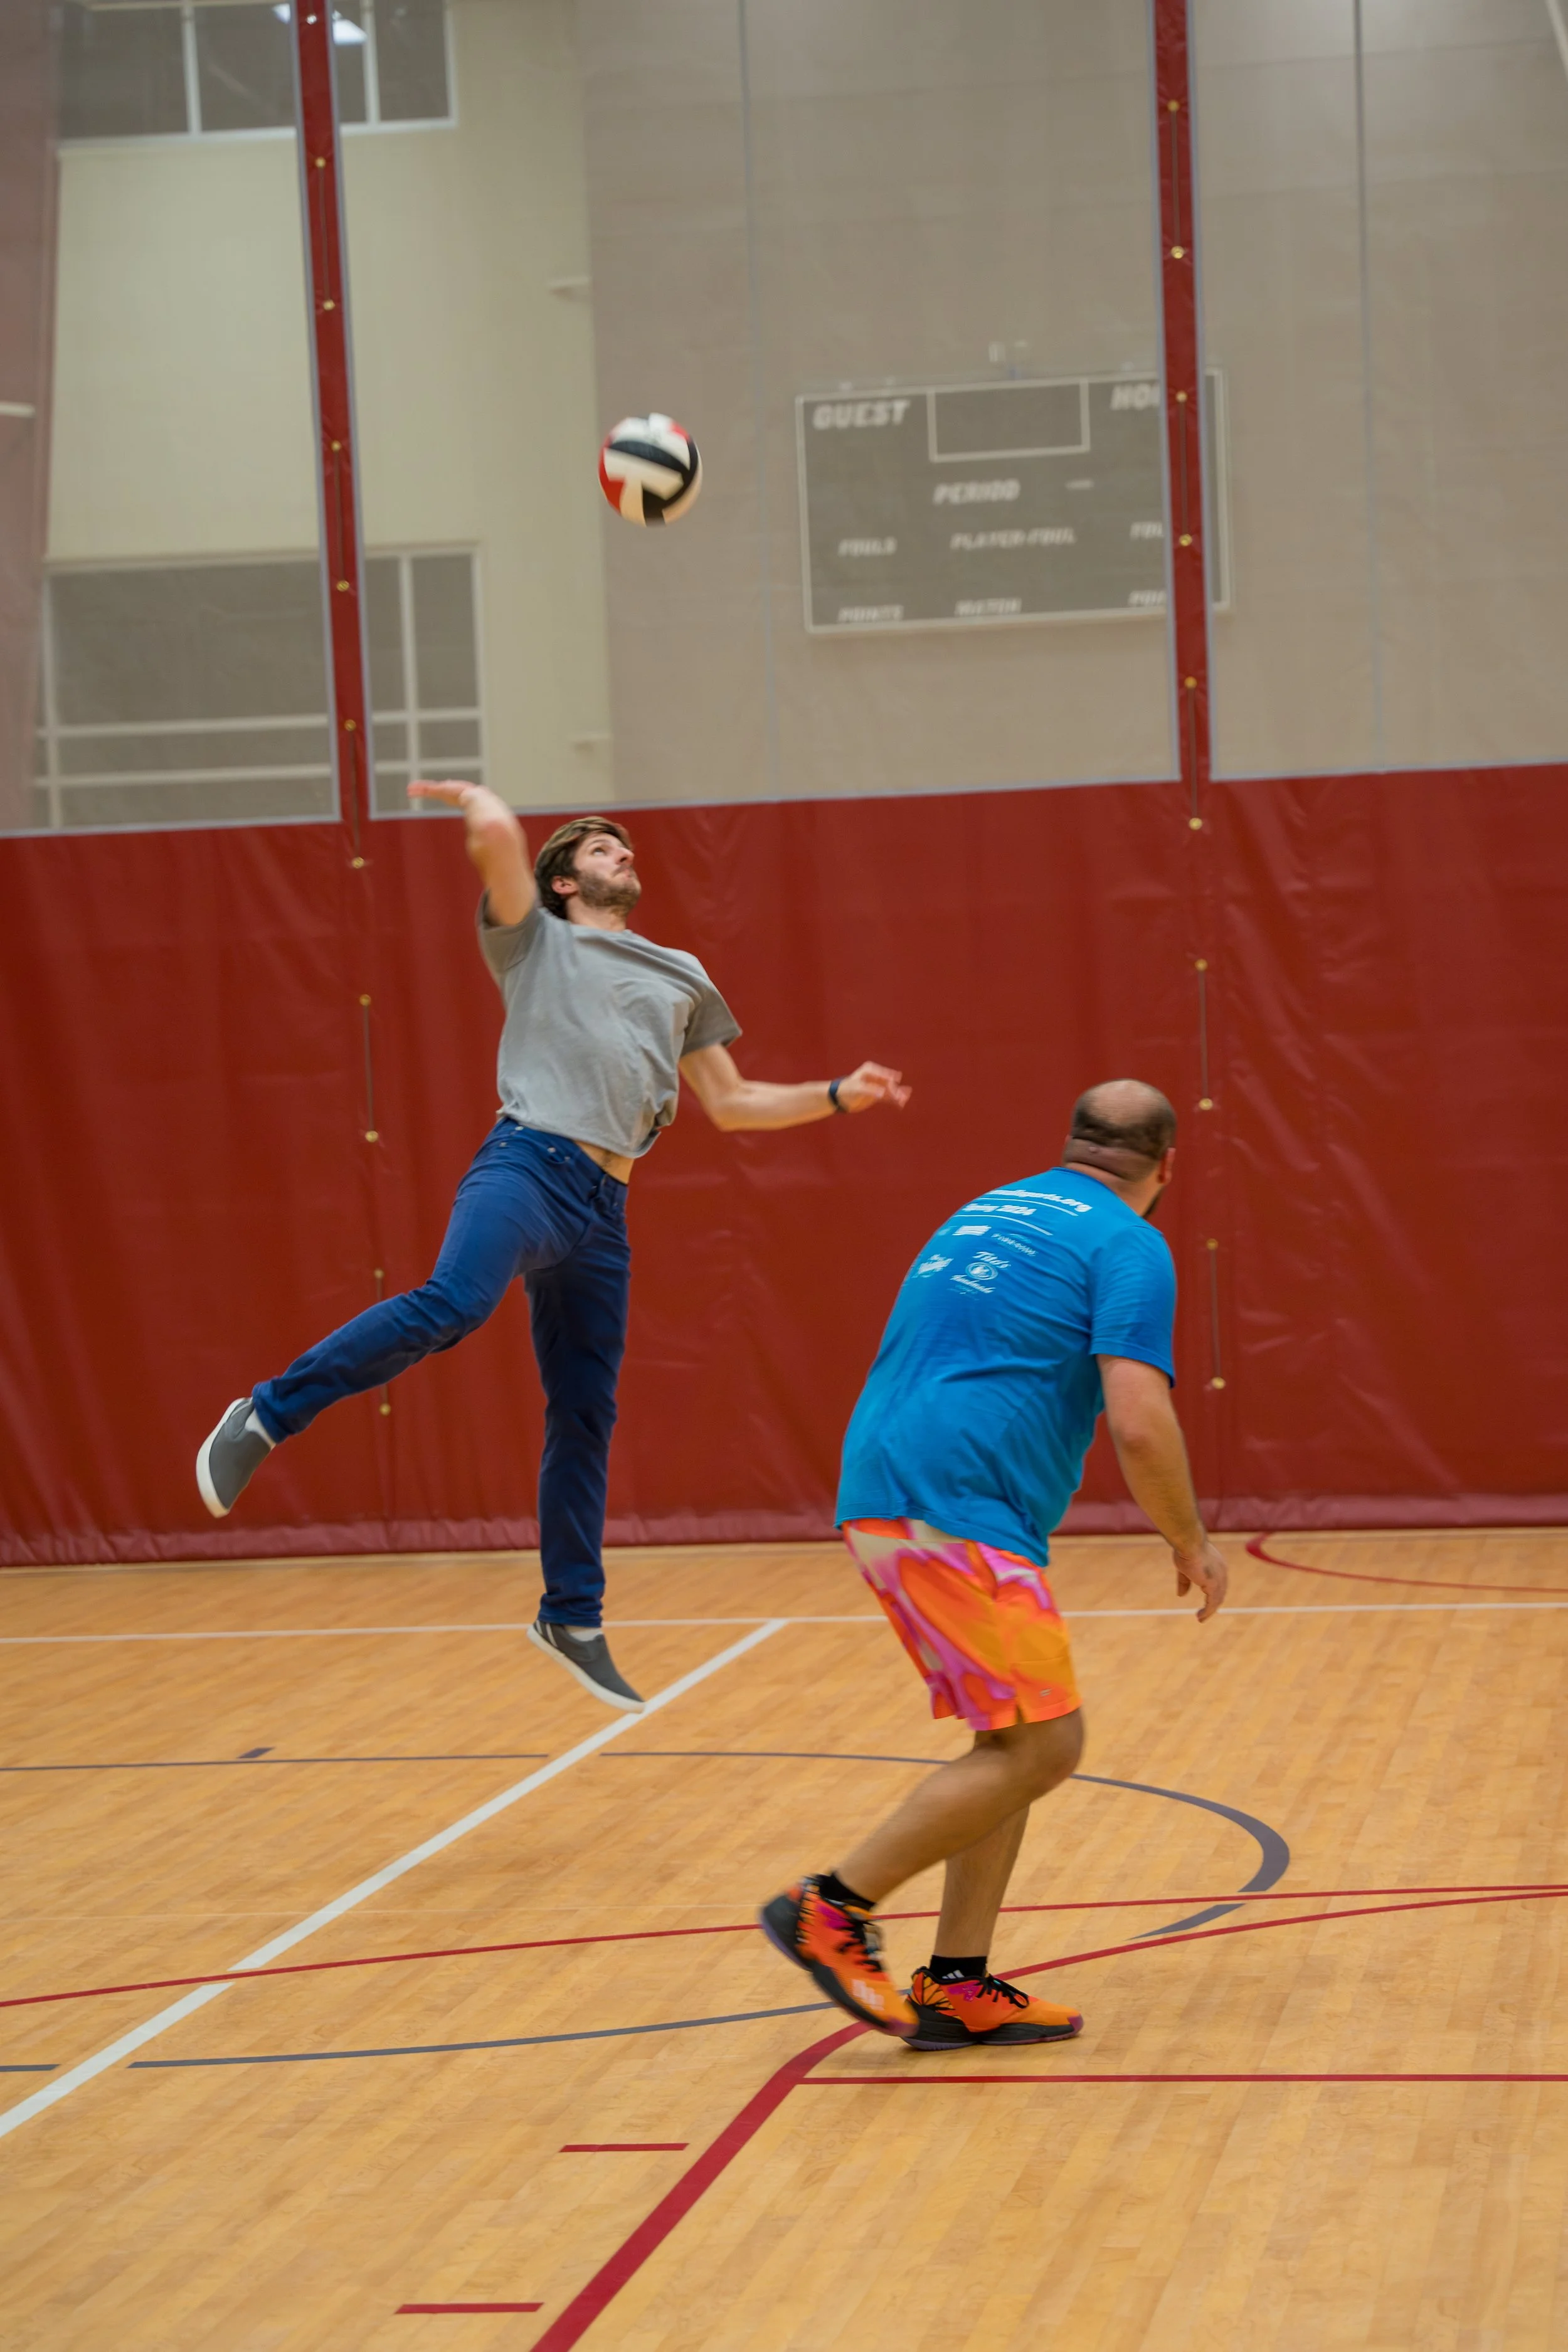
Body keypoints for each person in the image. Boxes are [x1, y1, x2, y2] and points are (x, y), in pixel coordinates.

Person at [198, 784, 909, 1710]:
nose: (624, 854)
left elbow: (731, 1104)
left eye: (624, 846)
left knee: (585, 1411)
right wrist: (482, 805)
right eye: (601, 849)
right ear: (565, 881)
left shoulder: (680, 972)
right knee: (453, 1303)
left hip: (604, 1209)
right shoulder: (533, 941)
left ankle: (570, 1615)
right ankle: (264, 1415)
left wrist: (835, 1094)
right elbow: (496, 847)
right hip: (529, 1162)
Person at [760, 1079, 1228, 2047]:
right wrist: (1189, 1535)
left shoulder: (988, 1206)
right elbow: (1140, 1419)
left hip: (897, 1480)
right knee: (1049, 1747)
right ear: (1166, 1167)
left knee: (1012, 1742)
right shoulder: (1129, 1244)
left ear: (1070, 1144)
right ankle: (831, 1908)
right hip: (954, 1500)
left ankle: (957, 1982)